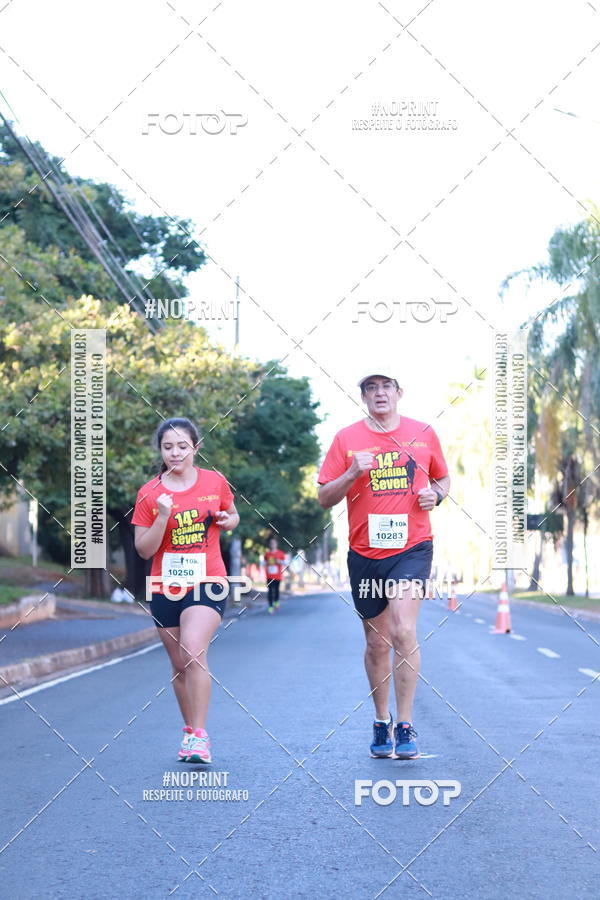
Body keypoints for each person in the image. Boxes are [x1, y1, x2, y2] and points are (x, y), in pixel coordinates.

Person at [317, 371, 450, 759]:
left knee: (403, 630)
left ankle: (405, 725)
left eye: (385, 386)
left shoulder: (422, 433)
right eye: (370, 388)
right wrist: (352, 472)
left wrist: (434, 496)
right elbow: (325, 497)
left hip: (412, 548)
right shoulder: (346, 439)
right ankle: (381, 720)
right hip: (364, 553)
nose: (379, 393)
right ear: (362, 396)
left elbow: (443, 479)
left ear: (398, 392)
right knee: (377, 643)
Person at [132, 417, 239, 764]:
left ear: (196, 447)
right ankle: (190, 733)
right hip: (165, 585)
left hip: (207, 580)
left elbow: (232, 513)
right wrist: (162, 516)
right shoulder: (149, 493)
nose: (175, 453)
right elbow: (144, 550)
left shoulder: (215, 481)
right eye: (167, 447)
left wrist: (228, 520)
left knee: (193, 651)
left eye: (182, 446)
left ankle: (202, 737)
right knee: (179, 665)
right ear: (160, 450)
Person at [263, 536, 286, 613]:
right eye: (271, 543)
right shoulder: (267, 554)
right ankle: (270, 606)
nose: (272, 544)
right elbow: (264, 563)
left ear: (276, 544)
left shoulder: (280, 553)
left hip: (277, 576)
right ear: (270, 544)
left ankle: (276, 602)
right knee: (270, 590)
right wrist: (267, 563)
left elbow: (285, 562)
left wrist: (279, 561)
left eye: (274, 543)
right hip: (269, 575)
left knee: (276, 590)